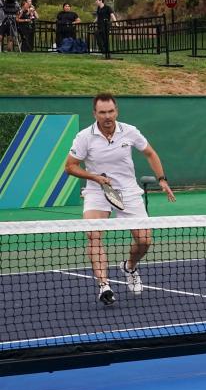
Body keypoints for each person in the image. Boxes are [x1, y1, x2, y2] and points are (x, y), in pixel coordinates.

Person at [64, 94, 176, 304]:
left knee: (144, 241)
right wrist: (94, 177)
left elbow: (150, 153)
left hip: (128, 191)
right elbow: (70, 166)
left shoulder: (130, 131)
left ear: (117, 111)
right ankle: (104, 286)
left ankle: (129, 266)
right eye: (102, 112)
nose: (107, 116)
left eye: (111, 111)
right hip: (98, 191)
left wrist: (162, 179)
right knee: (93, 235)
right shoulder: (84, 137)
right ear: (94, 114)